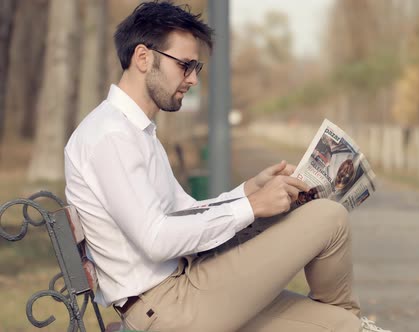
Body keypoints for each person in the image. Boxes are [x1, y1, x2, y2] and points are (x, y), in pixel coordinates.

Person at [64, 2, 390, 331]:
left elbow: (186, 213)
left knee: (347, 324)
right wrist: (252, 206)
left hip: (186, 288)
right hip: (168, 309)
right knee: (328, 217)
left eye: (196, 68)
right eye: (185, 65)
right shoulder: (110, 136)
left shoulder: (133, 132)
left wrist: (248, 190)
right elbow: (157, 239)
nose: (192, 79)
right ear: (143, 58)